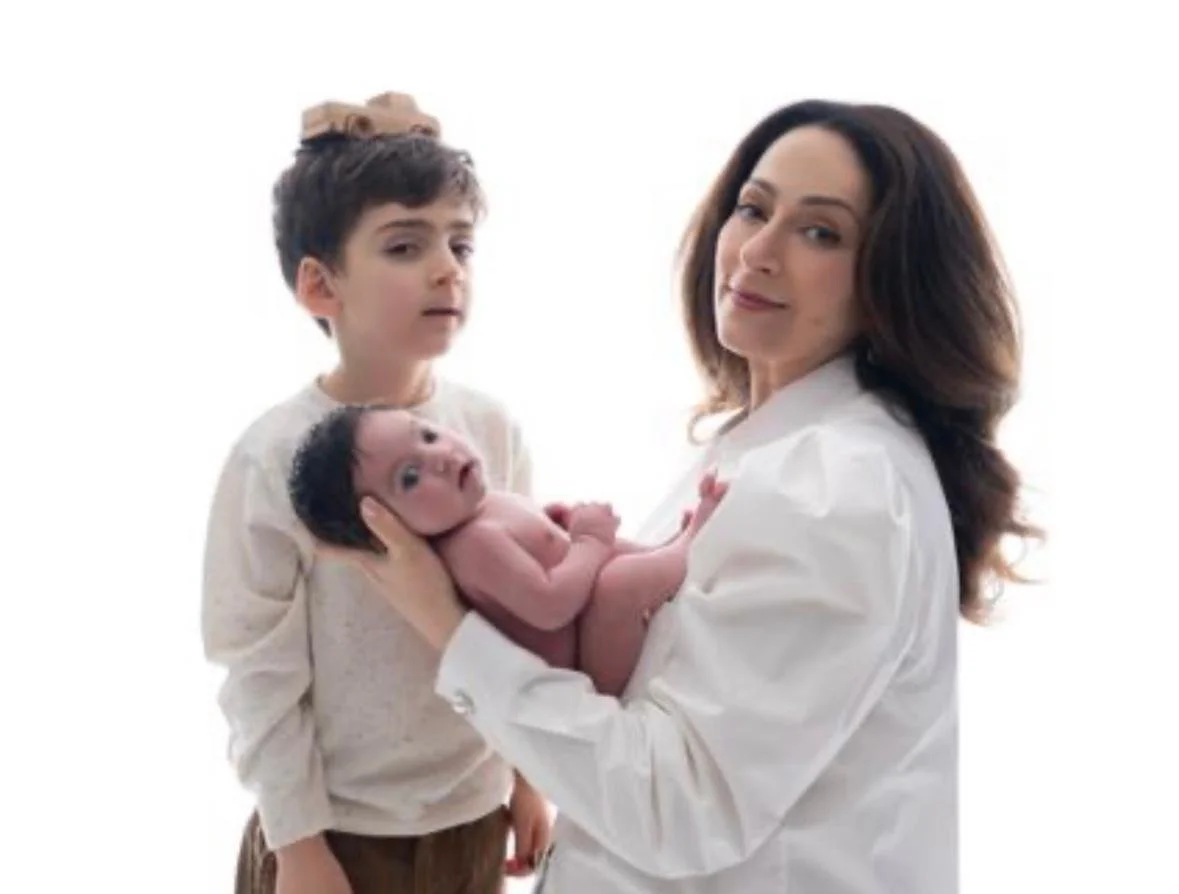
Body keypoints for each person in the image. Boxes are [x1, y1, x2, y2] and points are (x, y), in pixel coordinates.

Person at [319, 98, 1043, 893]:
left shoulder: (833, 489)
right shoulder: (766, 444)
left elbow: (678, 806)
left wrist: (448, 629)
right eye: (752, 209)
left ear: (890, 281)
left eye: (819, 233)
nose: (757, 251)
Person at [201, 95, 551, 894]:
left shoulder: (488, 429)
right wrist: (298, 846)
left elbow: (523, 618)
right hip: (334, 838)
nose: (447, 268)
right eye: (404, 245)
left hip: (471, 821)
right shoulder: (273, 456)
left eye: (460, 243)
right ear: (320, 286)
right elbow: (257, 671)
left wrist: (529, 775)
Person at [287, 404, 730, 697]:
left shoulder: (485, 506)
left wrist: (554, 530)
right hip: (594, 668)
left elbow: (553, 561)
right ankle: (688, 549)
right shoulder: (471, 545)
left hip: (593, 630)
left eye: (427, 435)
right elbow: (551, 605)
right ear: (386, 526)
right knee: (614, 583)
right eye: (409, 477)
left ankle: (662, 551)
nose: (439, 457)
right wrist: (588, 542)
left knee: (609, 562)